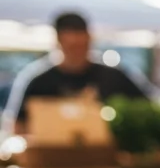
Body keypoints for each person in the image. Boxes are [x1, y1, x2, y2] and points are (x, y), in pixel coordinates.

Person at [3, 12, 147, 135]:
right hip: (50, 161)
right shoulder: (38, 81)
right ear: (59, 41)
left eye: (82, 45)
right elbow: (17, 126)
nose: (78, 52)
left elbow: (145, 108)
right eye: (72, 46)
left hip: (104, 159)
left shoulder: (113, 77)